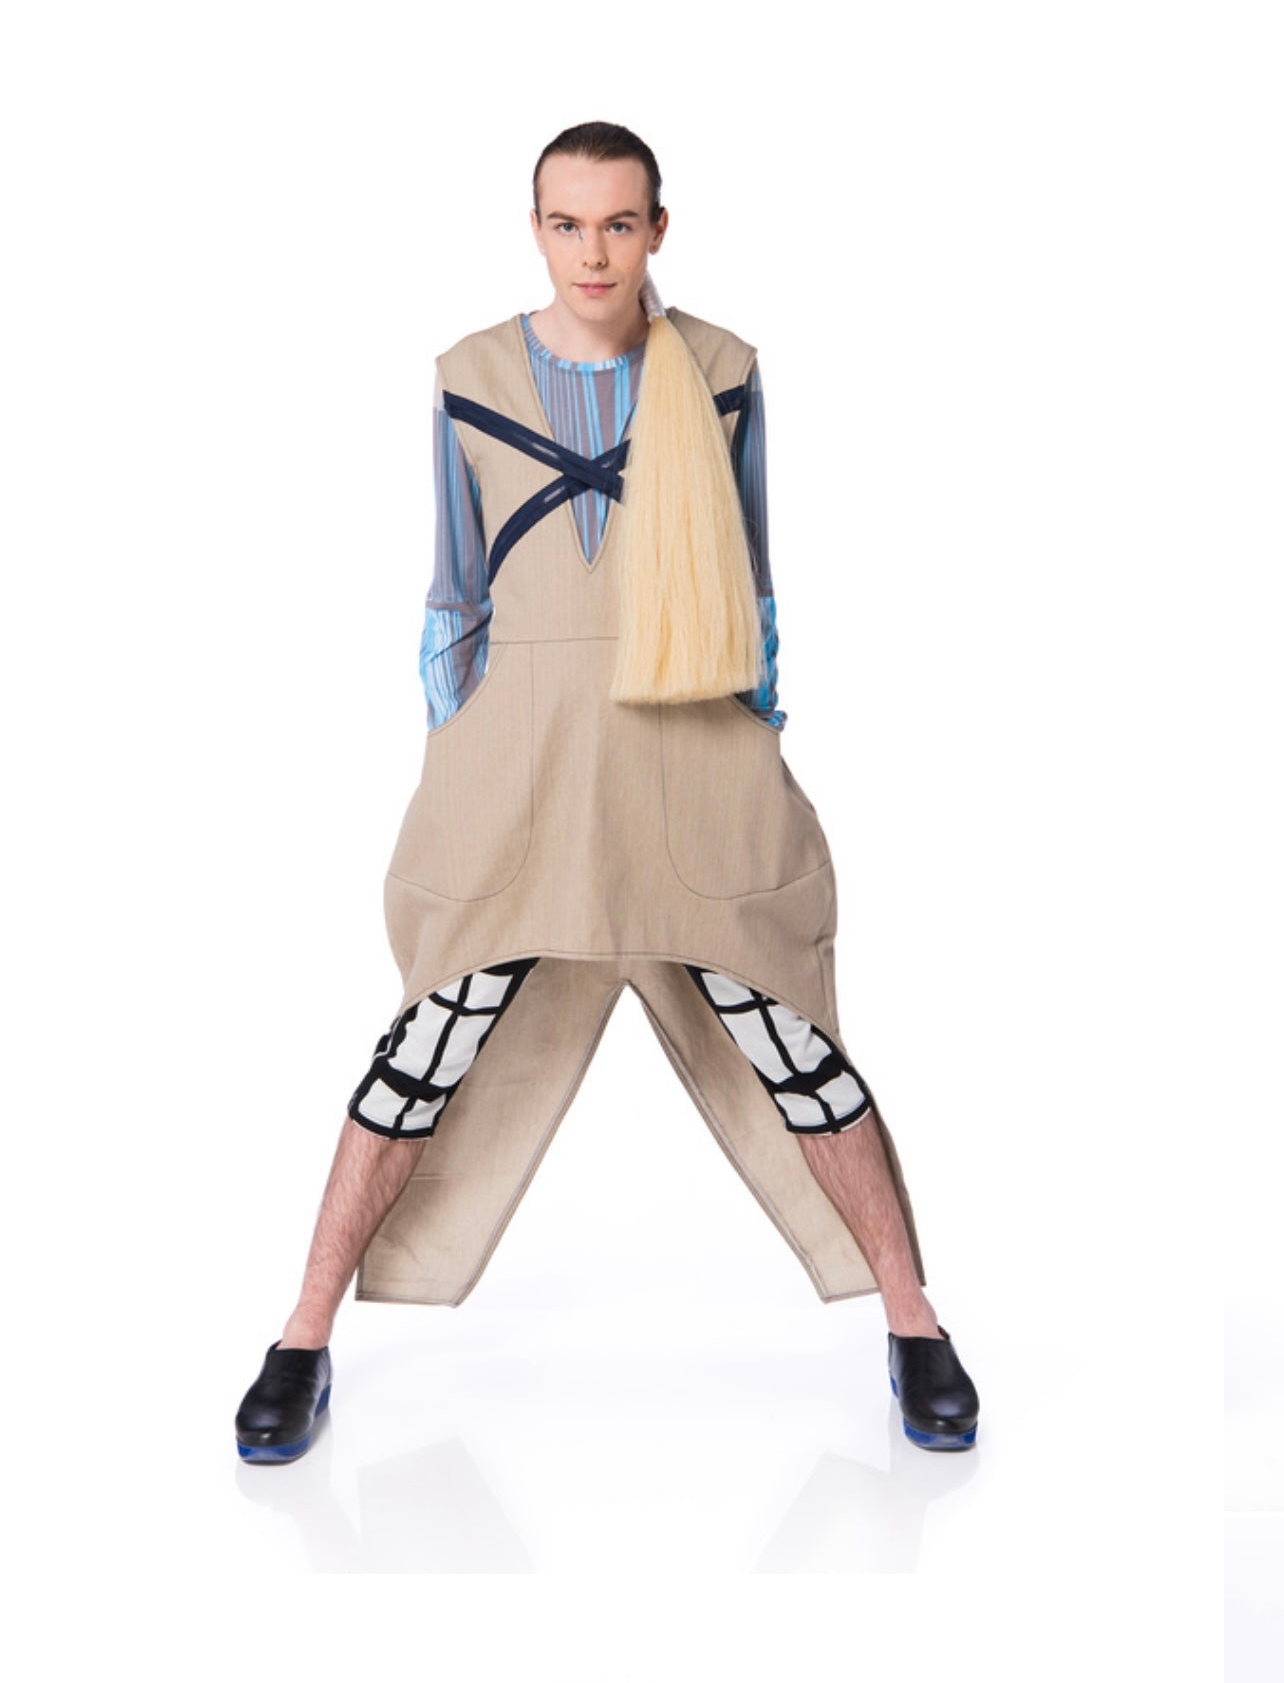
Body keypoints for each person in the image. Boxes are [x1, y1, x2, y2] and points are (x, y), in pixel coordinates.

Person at [234, 121, 981, 1464]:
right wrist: (458, 749)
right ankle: (301, 1333)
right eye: (568, 224)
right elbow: (455, 590)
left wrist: (758, 728)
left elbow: (751, 577)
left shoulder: (722, 370)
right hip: (520, 758)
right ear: (536, 228)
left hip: (688, 741)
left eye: (619, 224)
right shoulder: (467, 375)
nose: (593, 251)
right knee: (431, 1036)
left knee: (788, 1032)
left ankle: (915, 1320)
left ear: (657, 230)